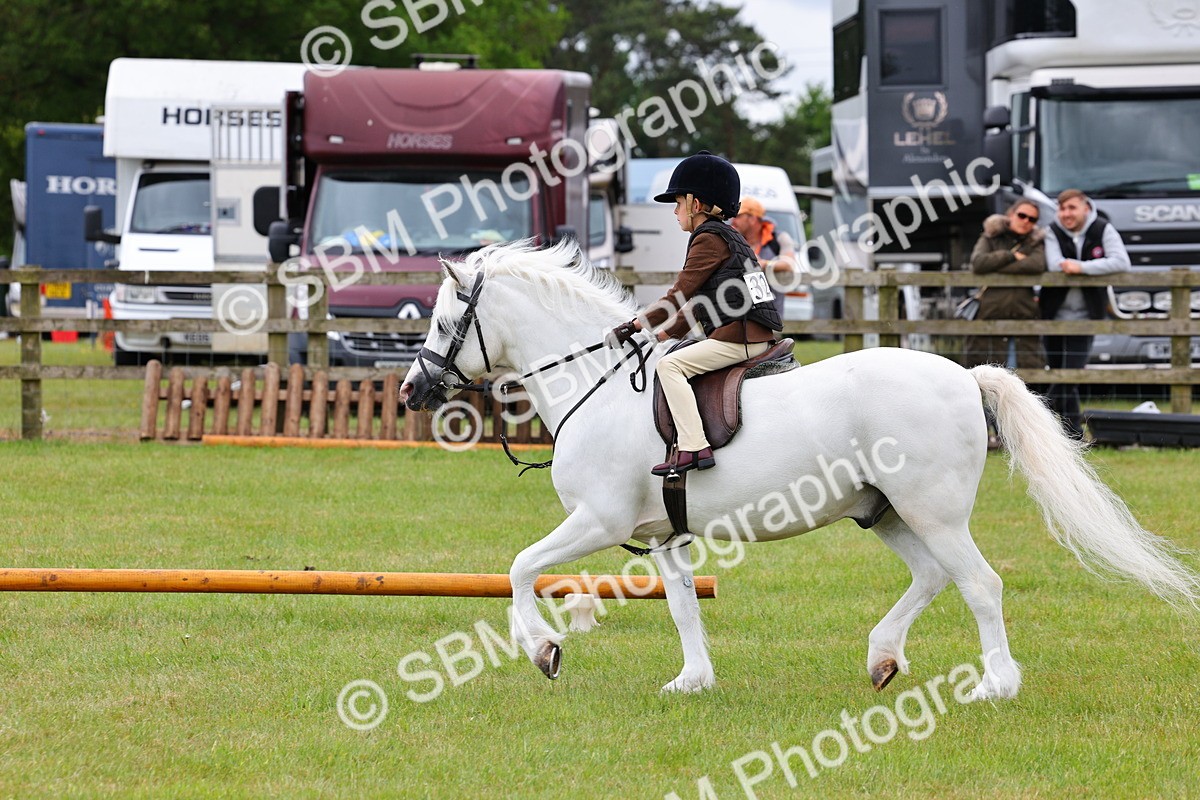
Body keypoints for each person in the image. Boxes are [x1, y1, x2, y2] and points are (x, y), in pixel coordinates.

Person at [608, 151, 782, 475]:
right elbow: (701, 303)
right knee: (670, 352)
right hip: (749, 331)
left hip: (739, 336)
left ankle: (693, 446)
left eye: (677, 203)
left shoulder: (708, 239)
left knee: (669, 367)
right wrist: (662, 334)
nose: (674, 211)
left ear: (696, 203)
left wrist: (635, 325)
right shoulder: (727, 237)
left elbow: (678, 295)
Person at [1041, 188, 1130, 439]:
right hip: (1053, 313)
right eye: (1062, 208)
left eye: (1072, 208)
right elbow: (1054, 265)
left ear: (1086, 208)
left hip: (1086, 314)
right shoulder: (1052, 231)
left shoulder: (1102, 229)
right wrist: (1087, 268)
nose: (1066, 214)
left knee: (1071, 374)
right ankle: (1073, 434)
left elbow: (1121, 262)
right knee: (1059, 371)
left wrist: (1080, 267)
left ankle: (1040, 413)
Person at [965, 200, 1048, 371]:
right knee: (987, 376)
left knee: (1021, 378)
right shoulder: (990, 236)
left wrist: (996, 267)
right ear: (1011, 214)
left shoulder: (1035, 242)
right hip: (990, 314)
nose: (1026, 221)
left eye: (1032, 219)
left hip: (1023, 316)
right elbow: (979, 263)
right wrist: (1011, 256)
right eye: (1022, 215)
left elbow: (1037, 265)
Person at [730, 196, 798, 320]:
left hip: (770, 319)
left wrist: (763, 264)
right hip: (736, 318)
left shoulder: (779, 239)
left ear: (752, 219)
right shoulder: (731, 241)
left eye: (738, 216)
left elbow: (789, 264)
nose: (733, 220)